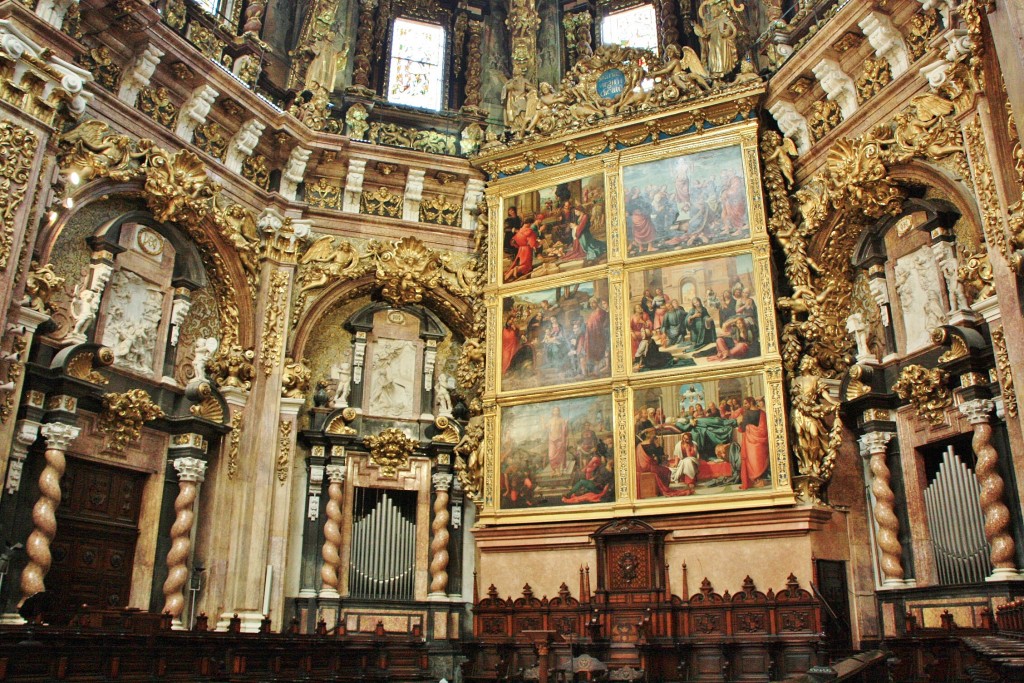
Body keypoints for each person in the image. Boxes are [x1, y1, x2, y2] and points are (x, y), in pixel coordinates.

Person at [738, 396, 770, 489]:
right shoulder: (762, 413)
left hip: (750, 442)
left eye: (745, 403)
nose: (744, 405)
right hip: (761, 442)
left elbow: (742, 428)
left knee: (752, 461)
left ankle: (756, 480)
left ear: (751, 403)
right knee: (759, 459)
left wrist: (740, 422)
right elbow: (764, 429)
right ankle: (759, 480)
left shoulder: (747, 413)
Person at [547, 407, 569, 475]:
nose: (556, 412)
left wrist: (566, 424)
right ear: (553, 412)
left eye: (557, 410)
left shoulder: (561, 420)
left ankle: (558, 470)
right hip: (552, 439)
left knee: (558, 455)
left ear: (559, 412)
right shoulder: (550, 420)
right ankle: (553, 469)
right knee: (551, 455)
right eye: (554, 410)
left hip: (559, 439)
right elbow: (545, 428)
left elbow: (565, 431)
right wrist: (541, 420)